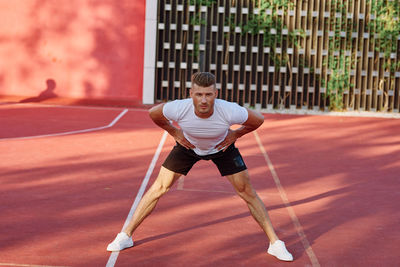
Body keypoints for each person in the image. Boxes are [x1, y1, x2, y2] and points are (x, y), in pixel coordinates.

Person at [107, 72, 293, 262]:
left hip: (222, 148)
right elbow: (153, 113)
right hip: (188, 147)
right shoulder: (179, 108)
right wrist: (174, 132)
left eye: (208, 95)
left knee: (247, 192)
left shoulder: (229, 110)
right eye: (199, 94)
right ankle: (126, 236)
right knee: (159, 188)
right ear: (191, 94)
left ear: (216, 94)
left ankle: (275, 244)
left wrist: (236, 135)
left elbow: (258, 119)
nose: (203, 100)